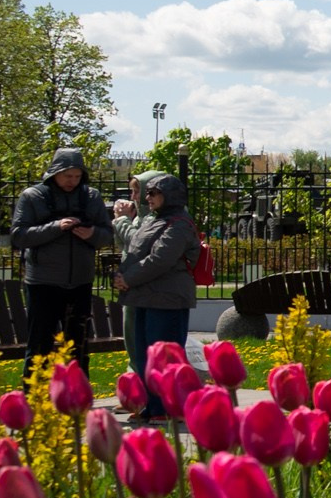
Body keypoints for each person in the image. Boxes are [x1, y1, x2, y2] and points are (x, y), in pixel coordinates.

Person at [10, 148, 115, 371]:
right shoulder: (32, 196)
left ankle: (78, 397)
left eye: (77, 176)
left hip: (80, 282)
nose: (72, 181)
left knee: (79, 346)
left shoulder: (91, 197)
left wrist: (92, 234)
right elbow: (19, 236)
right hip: (43, 283)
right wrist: (55, 227)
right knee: (39, 346)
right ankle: (35, 398)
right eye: (68, 176)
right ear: (55, 173)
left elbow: (107, 234)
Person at [115, 173, 201, 421]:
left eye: (154, 193)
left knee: (164, 357)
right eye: (147, 193)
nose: (148, 198)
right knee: (144, 355)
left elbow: (159, 259)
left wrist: (128, 279)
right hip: (143, 296)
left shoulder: (180, 223)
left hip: (168, 298)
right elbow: (134, 246)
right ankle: (152, 406)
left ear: (170, 196)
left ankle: (168, 407)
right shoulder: (153, 220)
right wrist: (121, 276)